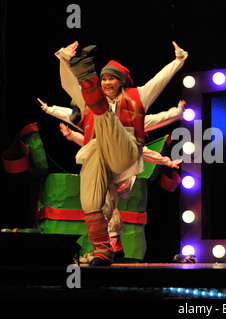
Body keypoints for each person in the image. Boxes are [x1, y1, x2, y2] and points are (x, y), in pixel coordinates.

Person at [54, 40, 187, 266]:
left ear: (121, 82)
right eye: (103, 79)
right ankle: (103, 251)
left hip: (123, 151)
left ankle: (86, 74)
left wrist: (178, 60)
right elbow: (69, 86)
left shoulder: (137, 96)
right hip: (99, 155)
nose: (106, 82)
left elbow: (159, 81)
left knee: (104, 118)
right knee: (92, 200)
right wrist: (63, 60)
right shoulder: (88, 102)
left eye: (110, 79)